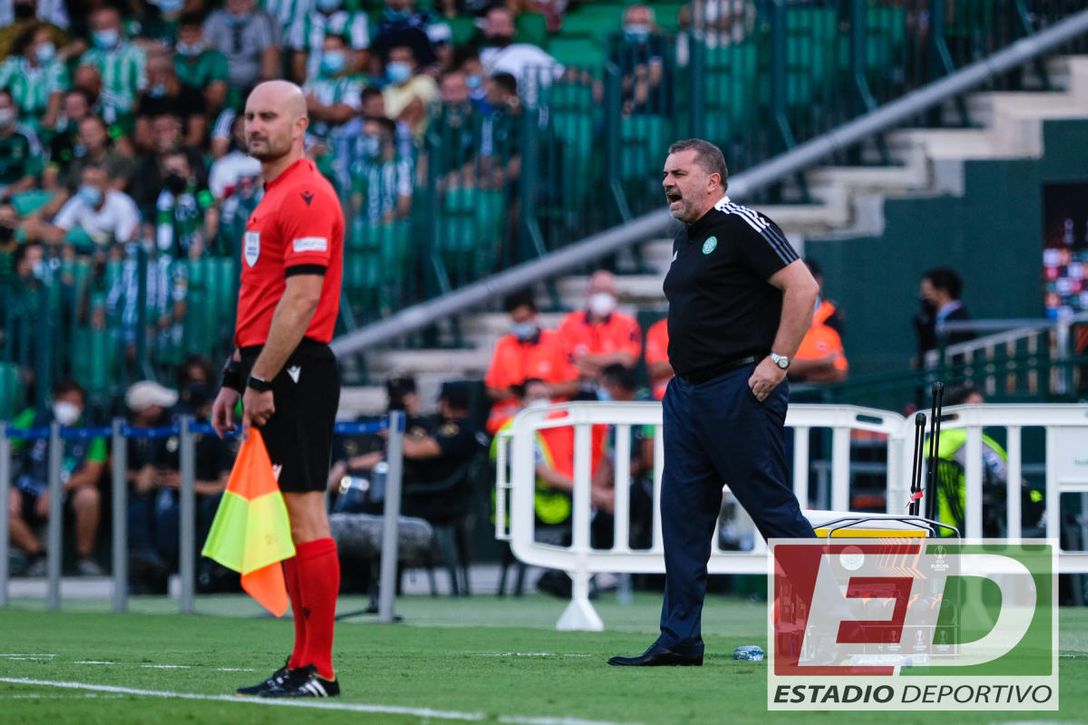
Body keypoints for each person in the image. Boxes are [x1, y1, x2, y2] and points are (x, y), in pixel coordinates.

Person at [609, 138, 818, 668]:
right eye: (665, 173)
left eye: (679, 172)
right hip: (687, 394)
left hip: (738, 387)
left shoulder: (743, 223)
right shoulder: (687, 238)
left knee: (772, 509)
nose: (667, 182)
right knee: (681, 516)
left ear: (713, 180)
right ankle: (680, 638)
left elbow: (802, 286)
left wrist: (779, 361)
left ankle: (844, 626)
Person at [211, 80, 344, 698]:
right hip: (270, 370)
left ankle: (319, 668)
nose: (255, 125)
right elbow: (261, 300)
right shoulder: (271, 196)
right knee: (291, 519)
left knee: (305, 511)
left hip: (296, 369)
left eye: (269, 116)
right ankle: (301, 662)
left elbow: (301, 298)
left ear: (300, 126)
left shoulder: (308, 195)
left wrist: (260, 377)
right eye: (249, 116)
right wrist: (234, 378)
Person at [8, 379, 106, 577]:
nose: (69, 407)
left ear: (83, 405)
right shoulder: (33, 418)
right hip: (28, 489)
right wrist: (8, 486)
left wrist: (56, 489)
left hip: (67, 491)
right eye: (64, 401)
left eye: (75, 402)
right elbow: (6, 448)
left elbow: (92, 474)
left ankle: (84, 559)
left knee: (89, 496)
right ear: (53, 401)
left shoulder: (91, 430)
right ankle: (37, 555)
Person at [483, 290, 578, 434]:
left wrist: (545, 390)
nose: (521, 324)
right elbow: (491, 390)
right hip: (512, 416)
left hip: (550, 415)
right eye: (516, 320)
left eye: (524, 319)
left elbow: (572, 385)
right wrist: (520, 394)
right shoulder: (503, 345)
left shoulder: (556, 342)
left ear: (534, 315)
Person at [556, 270, 642, 389]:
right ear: (588, 292)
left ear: (614, 295)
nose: (602, 295)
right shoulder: (570, 322)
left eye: (607, 291)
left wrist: (584, 359)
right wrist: (612, 360)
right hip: (580, 389)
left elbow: (627, 360)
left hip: (616, 390)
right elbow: (565, 361)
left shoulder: (627, 323)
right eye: (598, 290)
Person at [789, 260, 848, 385]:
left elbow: (839, 372)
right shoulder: (780, 315)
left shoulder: (831, 320)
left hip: (822, 397)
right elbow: (782, 365)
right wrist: (821, 364)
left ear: (818, 280)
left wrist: (800, 371)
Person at [914, 266, 973, 364]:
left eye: (928, 290)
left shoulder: (959, 320)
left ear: (942, 291)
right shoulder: (929, 317)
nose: (923, 296)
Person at [643, 317, 672, 401]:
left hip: (697, 394)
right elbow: (655, 369)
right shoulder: (659, 328)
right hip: (661, 395)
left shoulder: (703, 326)